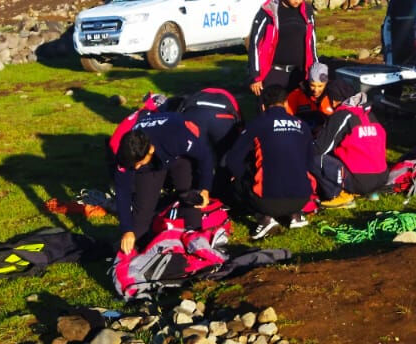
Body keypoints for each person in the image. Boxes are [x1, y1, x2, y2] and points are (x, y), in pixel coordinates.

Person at [113, 112, 215, 254]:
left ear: (150, 150)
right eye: (132, 165)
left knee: (188, 196)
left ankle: (195, 239)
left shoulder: (178, 138)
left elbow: (205, 156)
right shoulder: (124, 156)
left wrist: (205, 188)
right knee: (141, 217)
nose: (135, 168)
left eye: (139, 163)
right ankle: (141, 250)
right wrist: (127, 229)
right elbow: (122, 193)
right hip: (150, 168)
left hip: (178, 156)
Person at [225, 87, 316, 240]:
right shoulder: (302, 125)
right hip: (302, 199)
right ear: (286, 104)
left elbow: (233, 159)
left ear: (262, 106)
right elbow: (310, 163)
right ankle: (295, 215)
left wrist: (244, 176)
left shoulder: (258, 123)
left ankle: (264, 218)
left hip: (267, 202)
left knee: (236, 179)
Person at [310, 88, 389, 207]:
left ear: (335, 101)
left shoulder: (342, 115)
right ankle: (370, 192)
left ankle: (338, 194)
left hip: (361, 181)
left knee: (313, 157)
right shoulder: (369, 113)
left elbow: (321, 148)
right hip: (382, 177)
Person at [247, 0, 316, 103]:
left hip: (299, 73)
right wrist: (255, 76)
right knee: (272, 113)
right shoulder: (268, 11)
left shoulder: (307, 11)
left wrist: (314, 71)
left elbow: (312, 42)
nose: (298, 0)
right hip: (274, 73)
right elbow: (255, 44)